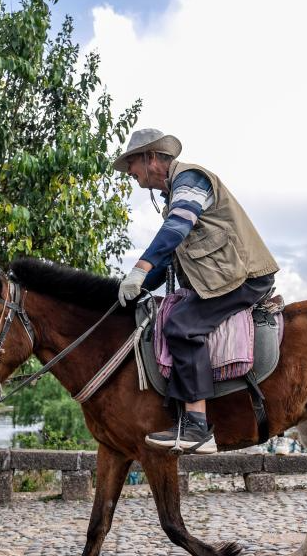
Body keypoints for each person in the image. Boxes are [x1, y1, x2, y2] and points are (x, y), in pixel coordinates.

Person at [113, 128, 278, 454]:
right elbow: (170, 259)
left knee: (182, 326)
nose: (129, 173)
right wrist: (135, 287)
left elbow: (177, 225)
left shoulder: (190, 179)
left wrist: (141, 267)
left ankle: (197, 427)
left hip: (243, 278)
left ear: (151, 158)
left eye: (131, 163)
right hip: (220, 280)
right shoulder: (175, 193)